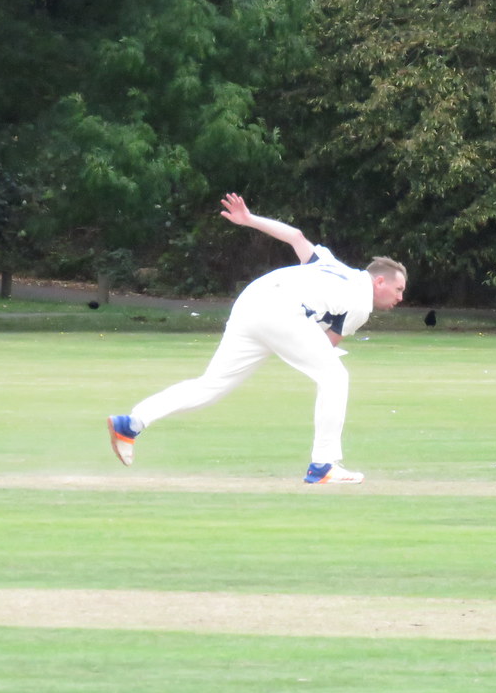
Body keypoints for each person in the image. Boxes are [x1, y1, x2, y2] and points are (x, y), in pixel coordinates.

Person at [107, 193, 407, 484]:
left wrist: (249, 219)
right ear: (378, 281)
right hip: (282, 313)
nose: (400, 297)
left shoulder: (330, 264)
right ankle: (323, 465)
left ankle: (131, 423)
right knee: (335, 378)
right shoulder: (361, 301)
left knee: (210, 386)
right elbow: (326, 344)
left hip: (252, 302)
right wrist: (295, 348)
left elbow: (296, 237)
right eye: (397, 290)